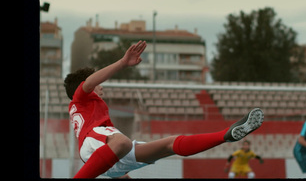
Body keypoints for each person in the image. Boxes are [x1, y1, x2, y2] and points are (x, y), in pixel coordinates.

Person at [64, 40, 264, 178]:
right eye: (98, 83)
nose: (102, 86)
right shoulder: (80, 99)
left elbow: (112, 165)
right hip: (95, 142)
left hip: (102, 158)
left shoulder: (86, 108)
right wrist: (123, 63)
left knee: (168, 145)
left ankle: (225, 135)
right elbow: (90, 82)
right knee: (122, 141)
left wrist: (119, 174)